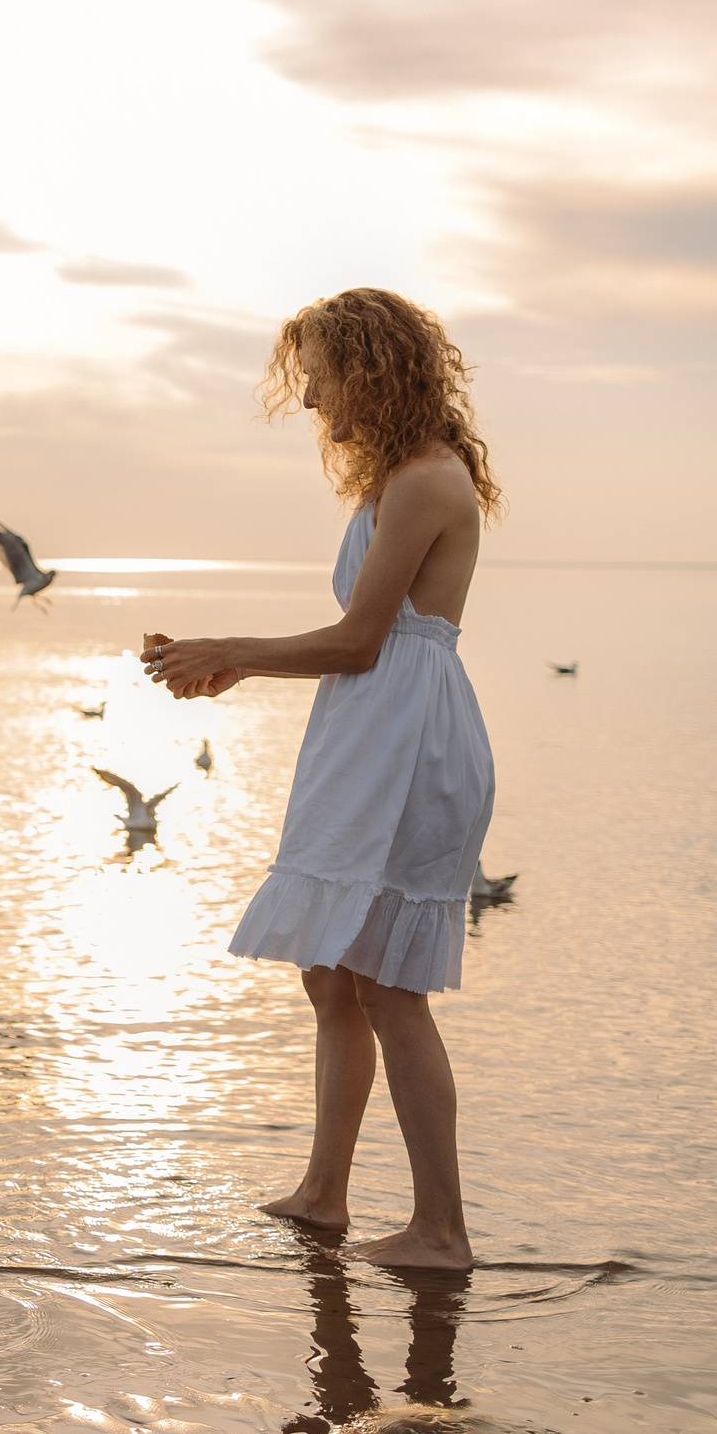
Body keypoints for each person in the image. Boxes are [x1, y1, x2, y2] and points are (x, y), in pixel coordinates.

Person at [144, 287, 500, 1271]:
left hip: (404, 742)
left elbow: (357, 640)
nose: (309, 402)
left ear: (371, 370)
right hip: (370, 731)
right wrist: (235, 664)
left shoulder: (427, 481)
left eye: (320, 378)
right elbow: (358, 648)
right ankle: (325, 1192)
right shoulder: (395, 478)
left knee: (387, 984)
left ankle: (441, 1230)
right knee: (330, 972)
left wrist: (232, 647)